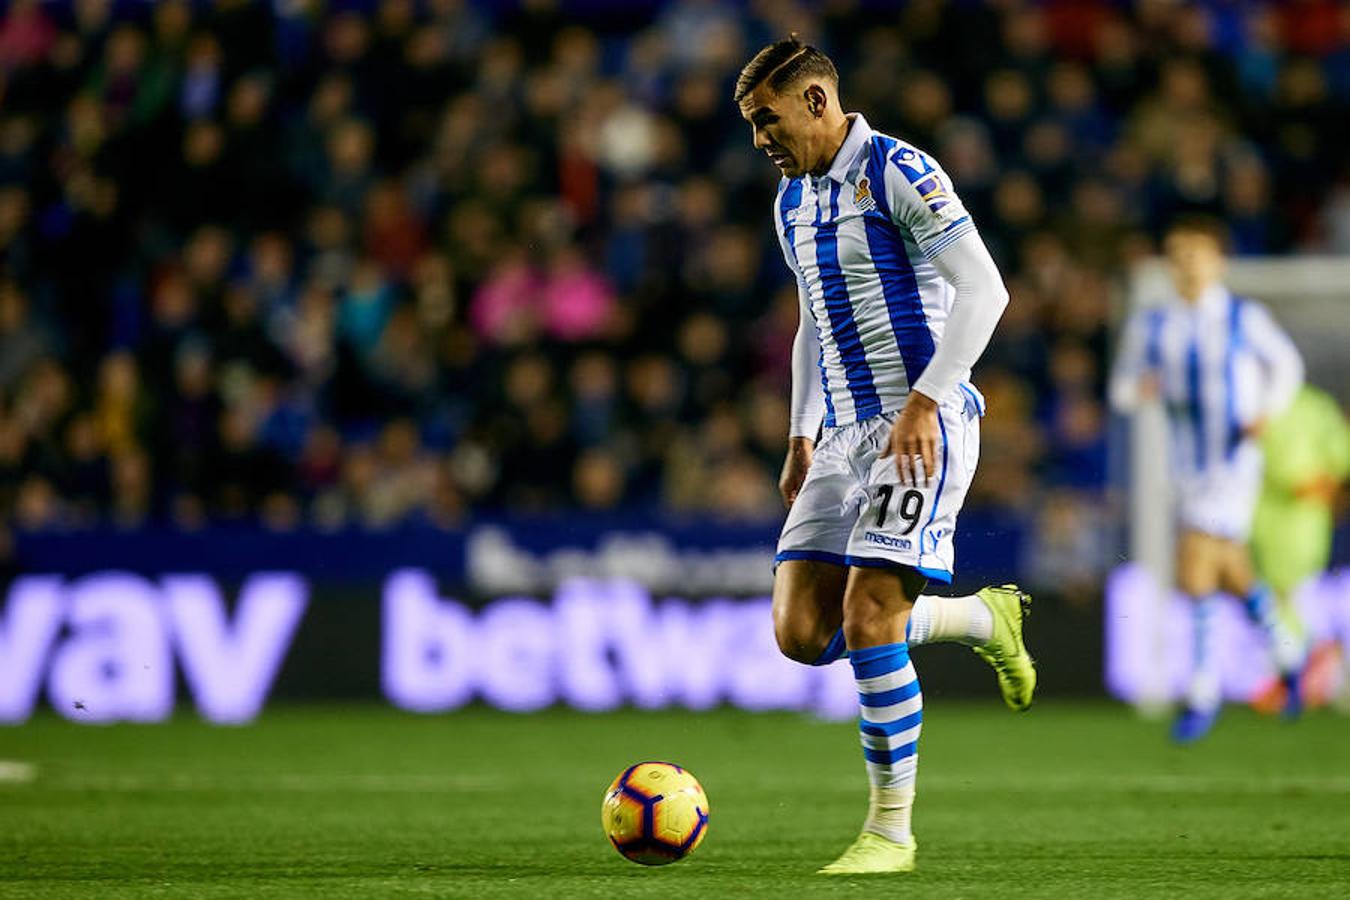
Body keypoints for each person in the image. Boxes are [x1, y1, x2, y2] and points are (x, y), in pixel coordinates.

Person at [735, 37, 1034, 875]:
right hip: (840, 440)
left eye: (767, 119)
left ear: (819, 103)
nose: (760, 138)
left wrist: (927, 401)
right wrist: (801, 430)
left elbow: (987, 289)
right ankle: (981, 618)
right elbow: (811, 323)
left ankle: (889, 835)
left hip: (923, 425)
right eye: (751, 124)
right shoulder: (790, 200)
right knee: (802, 633)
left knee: (870, 618)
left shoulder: (901, 170)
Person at [1109, 215, 1306, 743]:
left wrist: (1267, 409)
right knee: (1230, 567)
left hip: (1235, 458)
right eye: (1178, 255)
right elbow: (1122, 390)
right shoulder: (1152, 325)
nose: (1188, 265)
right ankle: (1287, 649)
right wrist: (1141, 389)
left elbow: (1287, 367)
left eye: (1197, 254)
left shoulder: (1243, 317)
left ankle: (1202, 690)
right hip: (1185, 466)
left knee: (1194, 561)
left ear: (1218, 262)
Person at [1250, 385, 1349, 710]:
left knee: (1286, 597)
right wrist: (1325, 484)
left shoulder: (1262, 399)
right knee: (1289, 596)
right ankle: (1300, 676)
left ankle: (1299, 676)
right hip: (1299, 519)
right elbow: (1341, 454)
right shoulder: (1319, 406)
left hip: (1277, 519)